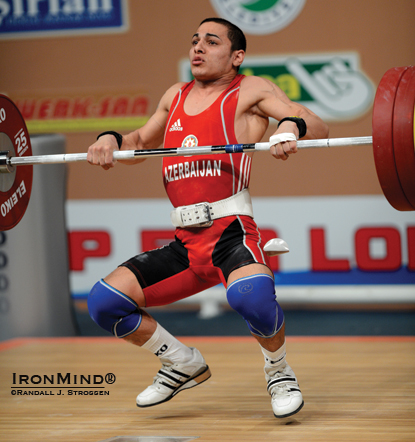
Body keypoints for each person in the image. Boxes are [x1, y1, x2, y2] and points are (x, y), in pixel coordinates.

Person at [86, 17, 329, 419]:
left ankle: (279, 371)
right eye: (195, 40)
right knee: (104, 303)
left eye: (211, 41)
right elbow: (139, 141)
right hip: (186, 244)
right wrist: (110, 141)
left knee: (249, 298)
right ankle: (181, 362)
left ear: (237, 56)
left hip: (231, 237)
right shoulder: (174, 95)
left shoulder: (249, 89)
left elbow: (316, 125)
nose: (198, 47)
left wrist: (288, 128)